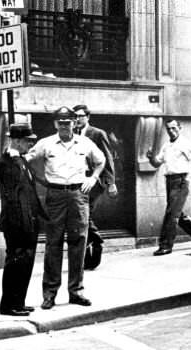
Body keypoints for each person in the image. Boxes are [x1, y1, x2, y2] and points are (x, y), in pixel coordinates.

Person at [25, 106, 105, 309]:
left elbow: (100, 161)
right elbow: (28, 159)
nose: (64, 127)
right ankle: (50, 294)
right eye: (60, 123)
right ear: (55, 124)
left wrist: (93, 178)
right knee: (53, 244)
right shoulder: (46, 143)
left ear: (73, 123)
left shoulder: (85, 142)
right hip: (56, 195)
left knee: (79, 242)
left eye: (67, 123)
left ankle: (76, 292)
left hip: (79, 195)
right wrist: (41, 179)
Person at [0, 122, 45, 317]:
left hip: (29, 222)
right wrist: (22, 224)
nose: (29, 145)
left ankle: (19, 302)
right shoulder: (5, 163)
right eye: (26, 141)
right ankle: (8, 306)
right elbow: (12, 199)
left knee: (26, 263)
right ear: (15, 140)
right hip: (17, 223)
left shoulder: (21, 161)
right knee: (15, 264)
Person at [145, 118, 191, 256]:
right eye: (168, 129)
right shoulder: (166, 145)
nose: (171, 131)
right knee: (176, 213)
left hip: (181, 181)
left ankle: (166, 246)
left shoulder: (185, 144)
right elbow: (157, 163)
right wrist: (150, 157)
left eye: (174, 128)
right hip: (170, 181)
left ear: (180, 128)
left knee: (171, 214)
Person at [72, 104, 117, 269]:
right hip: (77, 181)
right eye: (75, 116)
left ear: (87, 117)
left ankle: (96, 242)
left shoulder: (97, 133)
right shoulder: (71, 134)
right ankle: (91, 250)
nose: (77, 119)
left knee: (85, 214)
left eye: (80, 116)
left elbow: (107, 157)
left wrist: (111, 182)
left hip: (93, 181)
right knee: (81, 216)